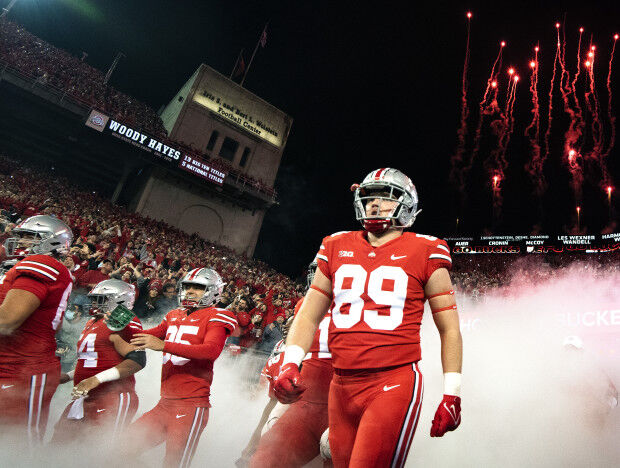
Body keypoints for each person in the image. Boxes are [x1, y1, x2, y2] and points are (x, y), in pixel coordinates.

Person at [274, 168, 463, 468]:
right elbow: (309, 314)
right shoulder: (335, 244)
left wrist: (452, 394)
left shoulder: (427, 249)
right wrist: (290, 362)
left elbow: (449, 329)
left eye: (386, 198)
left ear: (408, 204)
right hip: (341, 384)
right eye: (369, 196)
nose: (375, 204)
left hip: (392, 382)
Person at [122, 267, 237, 468]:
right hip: (164, 404)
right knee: (122, 449)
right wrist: (118, 327)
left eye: (198, 288)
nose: (190, 291)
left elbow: (211, 351)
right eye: (188, 286)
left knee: (174, 464)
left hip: (191, 405)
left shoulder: (218, 315)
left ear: (213, 291)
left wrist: (163, 345)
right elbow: (147, 335)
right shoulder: (174, 314)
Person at [249, 259, 334, 468]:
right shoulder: (303, 305)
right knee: (267, 451)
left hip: (345, 402)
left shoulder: (370, 309)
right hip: (305, 399)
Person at [0, 215, 74, 445]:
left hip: (20, 369)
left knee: (19, 444)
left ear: (52, 242)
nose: (20, 241)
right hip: (15, 363)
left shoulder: (42, 264)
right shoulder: (30, 266)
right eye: (20, 235)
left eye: (28, 236)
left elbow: (7, 320)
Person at [52, 279, 145, 443]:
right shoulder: (92, 322)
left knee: (104, 454)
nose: (93, 303)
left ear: (118, 299)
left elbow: (137, 360)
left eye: (99, 299)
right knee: (58, 444)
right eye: (93, 298)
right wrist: (69, 376)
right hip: (85, 398)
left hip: (113, 396)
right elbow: (95, 360)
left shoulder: (122, 318)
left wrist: (95, 380)